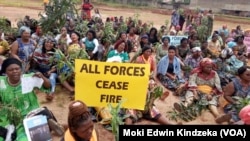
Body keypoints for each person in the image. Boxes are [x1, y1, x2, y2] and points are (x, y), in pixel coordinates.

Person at [0, 58, 64, 141]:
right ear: (5, 72)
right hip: (8, 117)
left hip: (29, 115)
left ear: (21, 70)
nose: (15, 71)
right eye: (10, 70)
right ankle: (46, 119)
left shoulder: (29, 79)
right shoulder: (1, 82)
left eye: (17, 69)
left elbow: (47, 86)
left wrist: (42, 77)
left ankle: (45, 120)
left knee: (24, 139)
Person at [174, 58, 224, 122]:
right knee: (190, 97)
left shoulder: (214, 74)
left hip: (209, 93)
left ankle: (218, 116)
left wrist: (211, 94)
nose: (209, 69)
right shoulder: (196, 72)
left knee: (212, 103)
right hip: (196, 90)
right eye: (207, 67)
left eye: (211, 67)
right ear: (202, 67)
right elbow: (191, 82)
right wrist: (195, 92)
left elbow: (217, 86)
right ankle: (184, 108)